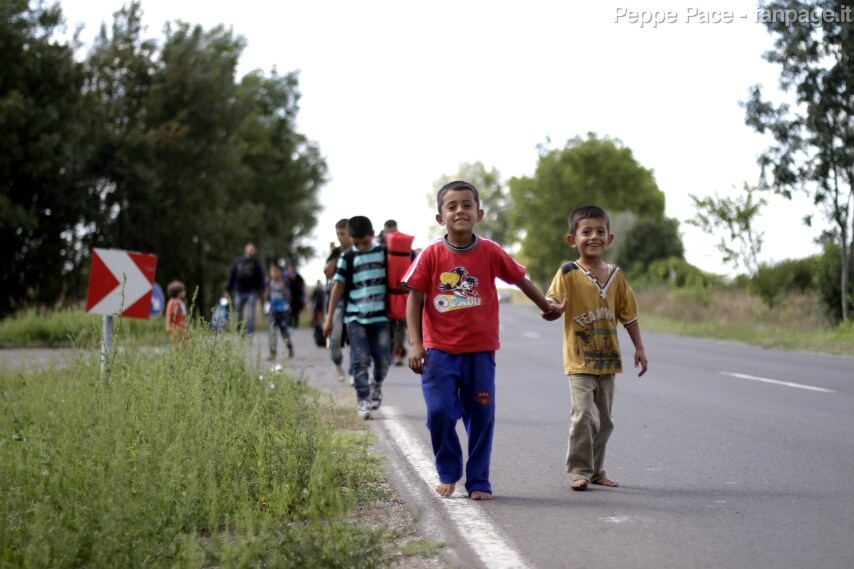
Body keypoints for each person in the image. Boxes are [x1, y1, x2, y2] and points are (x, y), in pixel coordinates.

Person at [403, 180, 564, 500]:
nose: (460, 210)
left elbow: (520, 279)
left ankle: (478, 480)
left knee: (481, 416)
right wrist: (415, 343)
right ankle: (448, 470)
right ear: (440, 217)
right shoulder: (431, 255)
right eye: (452, 206)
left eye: (466, 205)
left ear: (479, 213)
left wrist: (546, 307)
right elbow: (414, 299)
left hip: (480, 352)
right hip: (439, 351)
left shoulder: (490, 251)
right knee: (439, 413)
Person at [544, 204, 648, 491]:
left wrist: (639, 348)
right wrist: (551, 309)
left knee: (605, 421)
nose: (593, 237)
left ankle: (597, 469)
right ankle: (579, 470)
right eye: (586, 232)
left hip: (608, 361)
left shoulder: (616, 276)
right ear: (572, 239)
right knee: (583, 416)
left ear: (609, 238)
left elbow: (629, 315)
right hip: (579, 360)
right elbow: (551, 301)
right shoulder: (567, 273)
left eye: (600, 231)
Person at [323, 216, 392, 419]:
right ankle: (363, 399)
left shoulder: (383, 252)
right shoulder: (347, 258)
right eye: (356, 243)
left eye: (365, 243)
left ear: (372, 236)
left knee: (383, 360)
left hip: (380, 317)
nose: (361, 248)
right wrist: (328, 318)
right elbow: (338, 287)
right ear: (351, 239)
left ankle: (376, 384)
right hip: (355, 318)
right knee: (359, 360)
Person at [323, 218, 354, 383]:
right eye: (338, 234)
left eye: (343, 233)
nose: (340, 237)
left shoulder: (358, 250)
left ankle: (353, 373)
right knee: (335, 339)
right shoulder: (336, 253)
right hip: (338, 301)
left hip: (355, 300)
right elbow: (327, 272)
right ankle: (336, 362)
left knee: (355, 339)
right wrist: (336, 256)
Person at [225, 242, 266, 334]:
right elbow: (232, 275)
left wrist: (263, 290)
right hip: (239, 291)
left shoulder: (256, 264)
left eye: (253, 250)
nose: (251, 251)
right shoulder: (238, 262)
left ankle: (250, 332)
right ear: (246, 249)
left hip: (252, 291)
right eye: (250, 249)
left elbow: (261, 277)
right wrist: (228, 289)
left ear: (254, 251)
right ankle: (238, 330)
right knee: (237, 312)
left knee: (251, 314)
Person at [265, 263, 294, 361]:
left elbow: (288, 296)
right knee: (272, 332)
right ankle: (272, 352)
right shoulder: (269, 283)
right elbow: (266, 297)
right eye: (273, 272)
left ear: (281, 273)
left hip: (282, 310)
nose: (275, 274)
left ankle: (289, 347)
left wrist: (283, 290)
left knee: (284, 332)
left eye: (277, 271)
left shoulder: (284, 283)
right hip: (273, 310)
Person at [165, 280, 188, 346]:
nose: (184, 293)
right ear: (178, 292)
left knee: (185, 346)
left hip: (183, 329)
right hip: (175, 329)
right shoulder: (172, 302)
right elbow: (169, 315)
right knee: (176, 346)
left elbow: (184, 316)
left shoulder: (181, 303)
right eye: (183, 291)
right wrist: (168, 326)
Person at [286, 262, 306, 328]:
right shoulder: (287, 278)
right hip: (290, 297)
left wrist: (302, 297)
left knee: (296, 311)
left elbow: (302, 286)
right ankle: (289, 324)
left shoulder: (298, 277)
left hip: (297, 297)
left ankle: (295, 324)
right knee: (289, 311)